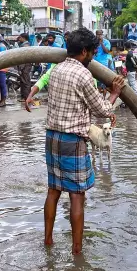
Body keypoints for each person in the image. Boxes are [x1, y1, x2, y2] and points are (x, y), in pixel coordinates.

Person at [24, 27, 126, 255]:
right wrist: (115, 93)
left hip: (52, 138)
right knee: (77, 196)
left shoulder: (57, 69)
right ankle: (77, 251)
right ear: (84, 51)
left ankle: (48, 241)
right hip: (73, 141)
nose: (92, 56)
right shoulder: (84, 75)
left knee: (53, 191)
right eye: (91, 52)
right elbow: (101, 111)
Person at [16, 33, 33, 102]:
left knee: (26, 82)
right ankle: (24, 97)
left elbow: (23, 59)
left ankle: (26, 97)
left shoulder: (25, 46)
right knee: (23, 82)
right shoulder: (25, 45)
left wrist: (20, 68)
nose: (19, 39)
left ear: (23, 38)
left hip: (25, 66)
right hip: (25, 66)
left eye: (20, 38)